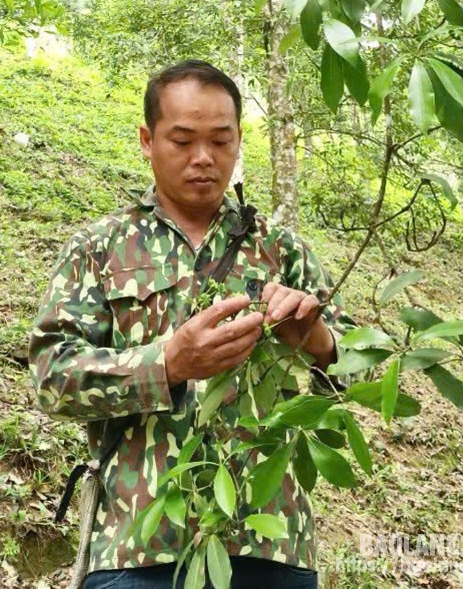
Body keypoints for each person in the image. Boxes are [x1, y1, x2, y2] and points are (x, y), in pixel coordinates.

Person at [28, 60, 357, 588]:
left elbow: (362, 380)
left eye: (221, 141)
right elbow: (51, 378)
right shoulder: (99, 249)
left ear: (238, 141)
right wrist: (167, 363)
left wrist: (318, 343)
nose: (203, 158)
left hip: (269, 544)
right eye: (182, 141)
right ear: (147, 139)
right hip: (137, 546)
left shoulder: (283, 251)